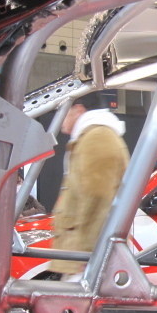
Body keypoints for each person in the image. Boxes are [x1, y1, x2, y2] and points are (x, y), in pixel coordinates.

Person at [49, 92, 130, 278]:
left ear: (78, 109)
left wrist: (88, 255)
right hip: (82, 256)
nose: (60, 119)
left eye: (64, 111)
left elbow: (98, 199)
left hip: (86, 260)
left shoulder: (97, 137)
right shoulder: (91, 137)